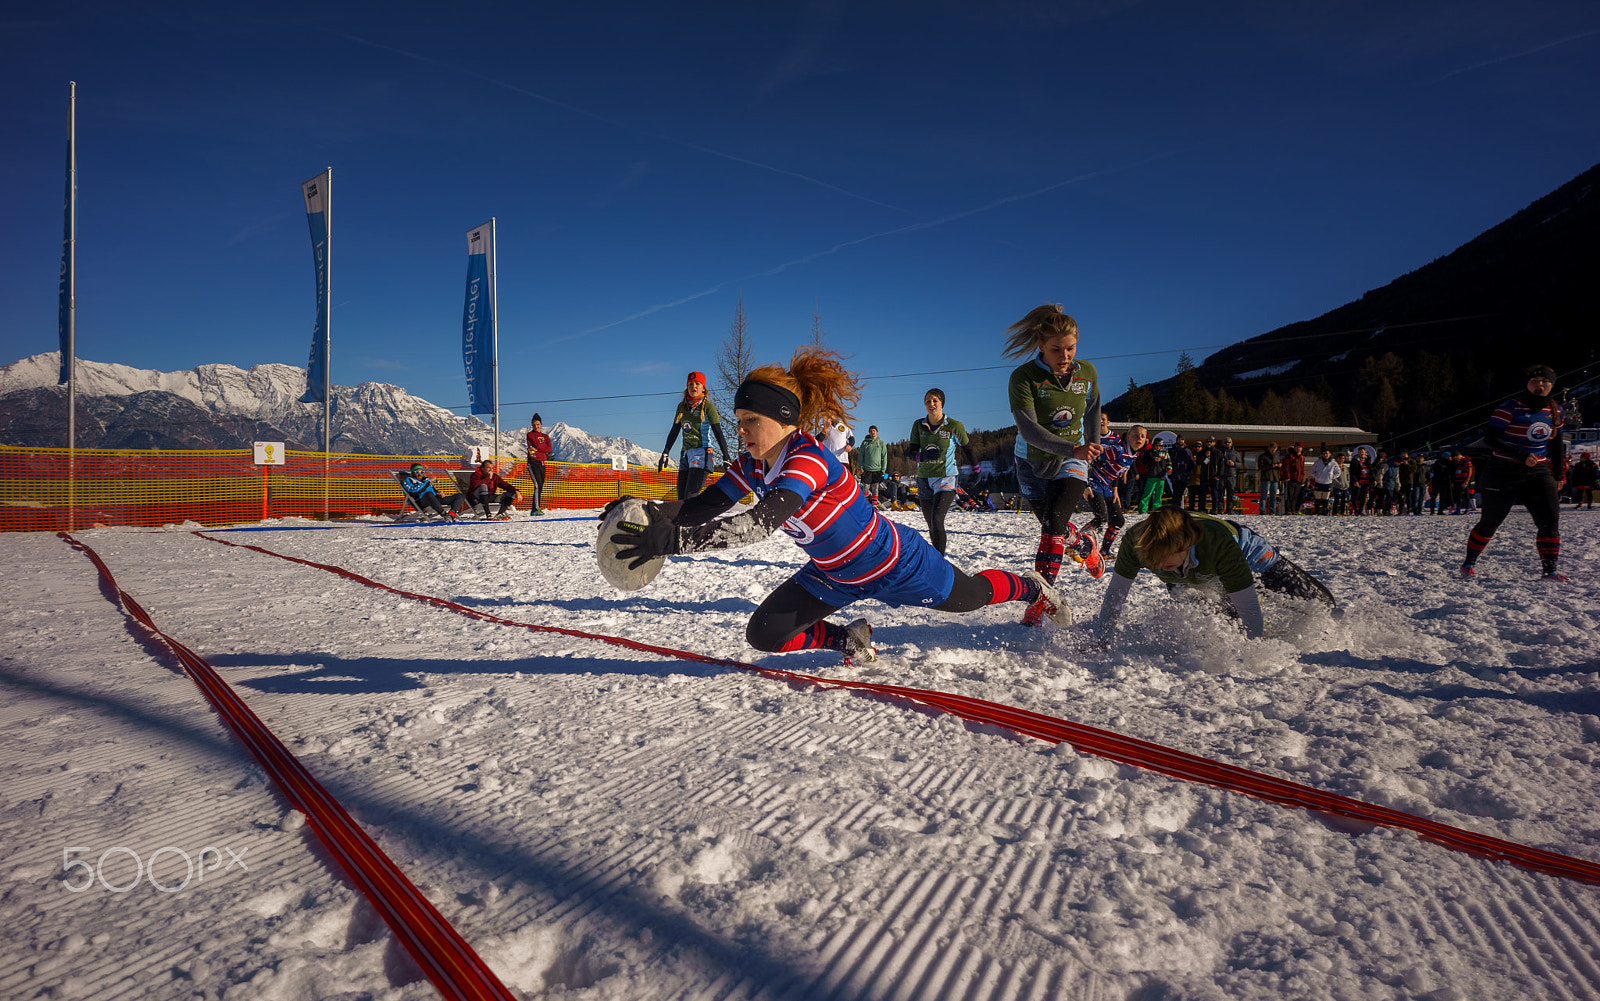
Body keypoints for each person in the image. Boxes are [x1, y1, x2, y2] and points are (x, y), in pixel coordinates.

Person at [606, 346, 1074, 664]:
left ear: (782, 420)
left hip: (894, 562)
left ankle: (1031, 587)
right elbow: (700, 505)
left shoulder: (806, 459)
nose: (742, 429)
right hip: (833, 573)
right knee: (764, 635)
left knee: (970, 598)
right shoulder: (751, 464)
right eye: (739, 420)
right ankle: (849, 639)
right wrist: (641, 512)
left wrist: (675, 542)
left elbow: (759, 524)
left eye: (751, 420)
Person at [1096, 505, 1335, 640]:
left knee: (1322, 605)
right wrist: (1102, 638)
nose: (1157, 565)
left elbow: (1248, 604)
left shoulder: (1218, 544)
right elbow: (1116, 594)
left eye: (1163, 557)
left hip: (1245, 553)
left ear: (1184, 545)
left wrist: (1256, 648)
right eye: (1152, 560)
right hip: (1191, 577)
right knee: (1230, 629)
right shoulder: (1135, 544)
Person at [1003, 304, 1105, 605]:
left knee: (1053, 522)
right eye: (1056, 350)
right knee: (1055, 527)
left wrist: (1090, 446)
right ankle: (1084, 544)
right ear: (1041, 347)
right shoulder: (1023, 377)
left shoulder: (1087, 372)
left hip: (1072, 460)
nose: (1064, 357)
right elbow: (1030, 429)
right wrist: (1073, 448)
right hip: (1031, 461)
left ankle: (1040, 603)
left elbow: (1092, 411)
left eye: (1070, 349)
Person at [1460, 365, 1568, 580]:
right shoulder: (1509, 408)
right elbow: (1490, 440)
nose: (1539, 385)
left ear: (1552, 385)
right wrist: (1520, 455)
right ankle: (1468, 563)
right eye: (1535, 380)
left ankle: (1550, 571)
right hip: (1503, 470)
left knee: (1549, 520)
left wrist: (1558, 474)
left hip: (1538, 471)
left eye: (1545, 381)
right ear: (1527, 384)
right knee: (1491, 521)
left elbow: (1556, 445)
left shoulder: (1556, 411)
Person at [907, 388, 970, 555]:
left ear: (942, 403)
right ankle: (936, 557)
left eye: (935, 400)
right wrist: (922, 456)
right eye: (928, 401)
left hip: (946, 477)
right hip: (924, 479)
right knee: (931, 523)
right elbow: (911, 452)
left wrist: (976, 470)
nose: (931, 404)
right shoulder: (918, 425)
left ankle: (940, 560)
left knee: (937, 518)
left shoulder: (954, 426)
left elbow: (967, 447)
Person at [657, 372, 732, 501]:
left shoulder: (708, 407)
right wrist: (666, 451)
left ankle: (695, 520)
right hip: (685, 454)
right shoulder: (682, 407)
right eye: (691, 384)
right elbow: (674, 430)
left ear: (703, 387)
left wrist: (726, 457)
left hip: (702, 453)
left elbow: (718, 432)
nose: (694, 386)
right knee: (681, 498)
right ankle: (680, 521)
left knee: (690, 497)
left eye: (697, 383)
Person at [1086, 416, 1145, 559]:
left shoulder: (1134, 454)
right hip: (1094, 482)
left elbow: (1116, 474)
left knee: (1118, 520)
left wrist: (1115, 490)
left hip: (1106, 486)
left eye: (1142, 436)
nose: (1139, 438)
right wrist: (1085, 483)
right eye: (1136, 435)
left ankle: (1104, 550)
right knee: (1101, 517)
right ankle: (1078, 543)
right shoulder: (1118, 449)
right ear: (1128, 436)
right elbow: (1091, 460)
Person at [398, 463, 465, 519]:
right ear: (413, 473)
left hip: (435, 499)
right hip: (422, 501)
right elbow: (414, 491)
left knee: (460, 495)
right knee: (429, 494)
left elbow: (433, 489)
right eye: (417, 472)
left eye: (421, 472)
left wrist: (439, 493)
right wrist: (428, 481)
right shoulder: (408, 480)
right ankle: (444, 514)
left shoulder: (425, 480)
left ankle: (451, 513)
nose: (419, 474)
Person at [525, 413, 553, 516]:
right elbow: (535, 445)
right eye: (534, 424)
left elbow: (549, 449)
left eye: (537, 424)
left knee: (541, 485)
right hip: (533, 462)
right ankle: (535, 508)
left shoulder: (545, 436)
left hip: (542, 462)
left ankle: (535, 507)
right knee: (537, 485)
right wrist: (541, 447)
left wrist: (538, 449)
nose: (536, 426)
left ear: (541, 424)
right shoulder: (530, 435)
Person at [1136, 434, 1170, 513]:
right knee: (1147, 493)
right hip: (1152, 475)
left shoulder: (1165, 453)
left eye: (1159, 446)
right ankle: (1142, 509)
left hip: (1161, 476)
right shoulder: (1149, 452)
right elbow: (1144, 461)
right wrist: (1153, 460)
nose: (1158, 447)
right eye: (1156, 445)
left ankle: (1157, 509)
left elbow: (1169, 462)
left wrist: (1169, 469)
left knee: (1159, 494)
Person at [856, 425, 889, 505]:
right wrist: (860, 467)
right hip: (867, 469)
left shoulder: (881, 443)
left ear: (877, 432)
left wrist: (883, 469)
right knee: (865, 487)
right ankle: (866, 504)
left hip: (877, 469)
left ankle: (874, 505)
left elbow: (884, 457)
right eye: (871, 431)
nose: (872, 432)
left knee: (875, 488)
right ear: (869, 432)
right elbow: (861, 456)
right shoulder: (865, 443)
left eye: (874, 431)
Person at [1309, 447, 1341, 516]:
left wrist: (1331, 477)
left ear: (1330, 454)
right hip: (1318, 482)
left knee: (1325, 498)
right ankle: (1316, 511)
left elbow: (1338, 472)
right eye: (1324, 453)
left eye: (1326, 453)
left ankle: (1324, 511)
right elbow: (1312, 471)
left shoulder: (1333, 463)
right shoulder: (1318, 462)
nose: (1325, 455)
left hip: (1328, 482)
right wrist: (1317, 477)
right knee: (1317, 498)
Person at [1216, 437, 1243, 515]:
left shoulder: (1236, 453)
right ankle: (1220, 509)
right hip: (1221, 475)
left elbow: (1240, 464)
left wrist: (1234, 464)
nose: (1227, 444)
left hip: (1231, 475)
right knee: (1220, 493)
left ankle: (1230, 509)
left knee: (1230, 493)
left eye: (1229, 442)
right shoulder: (1220, 452)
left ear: (1232, 443)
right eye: (1226, 442)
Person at [1168, 437, 1195, 510]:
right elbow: (1169, 461)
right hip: (1175, 474)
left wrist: (1188, 471)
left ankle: (1178, 508)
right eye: (1179, 439)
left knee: (1181, 493)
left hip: (1184, 475)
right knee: (1176, 493)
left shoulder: (1187, 450)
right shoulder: (1173, 450)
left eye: (1182, 439)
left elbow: (1192, 462)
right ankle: (1175, 508)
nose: (1180, 441)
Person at [1281, 443, 1306, 515]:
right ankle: (1288, 510)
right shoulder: (1290, 456)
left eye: (1299, 447)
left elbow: (1302, 468)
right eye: (1297, 447)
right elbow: (1286, 467)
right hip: (1291, 478)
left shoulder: (1301, 457)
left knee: (1296, 495)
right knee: (1289, 495)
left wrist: (1302, 477)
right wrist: (1287, 477)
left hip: (1299, 479)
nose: (1298, 449)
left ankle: (1294, 509)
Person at [1257, 442, 1282, 515]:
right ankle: (1262, 511)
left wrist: (1279, 466)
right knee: (1264, 496)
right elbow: (1260, 467)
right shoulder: (1263, 456)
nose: (1273, 450)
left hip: (1275, 478)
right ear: (1269, 448)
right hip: (1266, 478)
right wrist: (1271, 466)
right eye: (1272, 448)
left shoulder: (1276, 456)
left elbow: (1277, 467)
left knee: (1273, 496)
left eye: (1275, 449)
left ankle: (1272, 512)